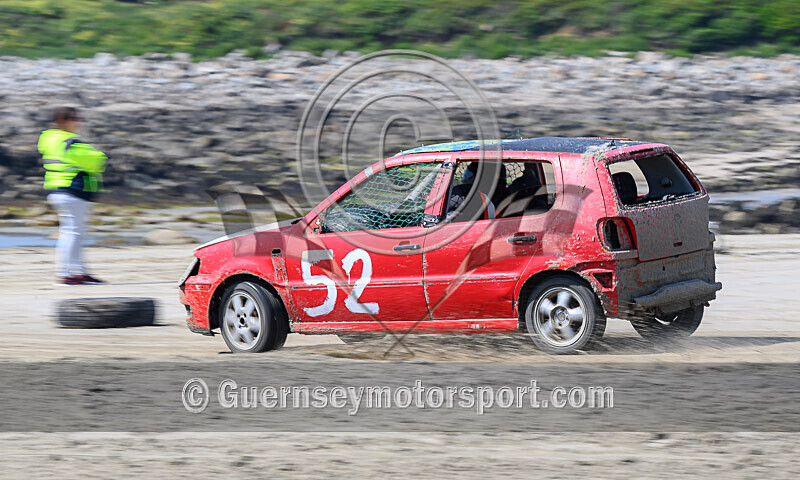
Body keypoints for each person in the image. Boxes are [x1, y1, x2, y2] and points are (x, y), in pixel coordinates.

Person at [39, 107, 107, 285]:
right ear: (64, 120)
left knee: (75, 233)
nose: (78, 122)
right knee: (73, 233)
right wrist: (99, 155)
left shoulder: (51, 139)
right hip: (71, 190)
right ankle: (66, 273)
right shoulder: (68, 141)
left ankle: (78, 271)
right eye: (75, 118)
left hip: (58, 190)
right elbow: (95, 161)